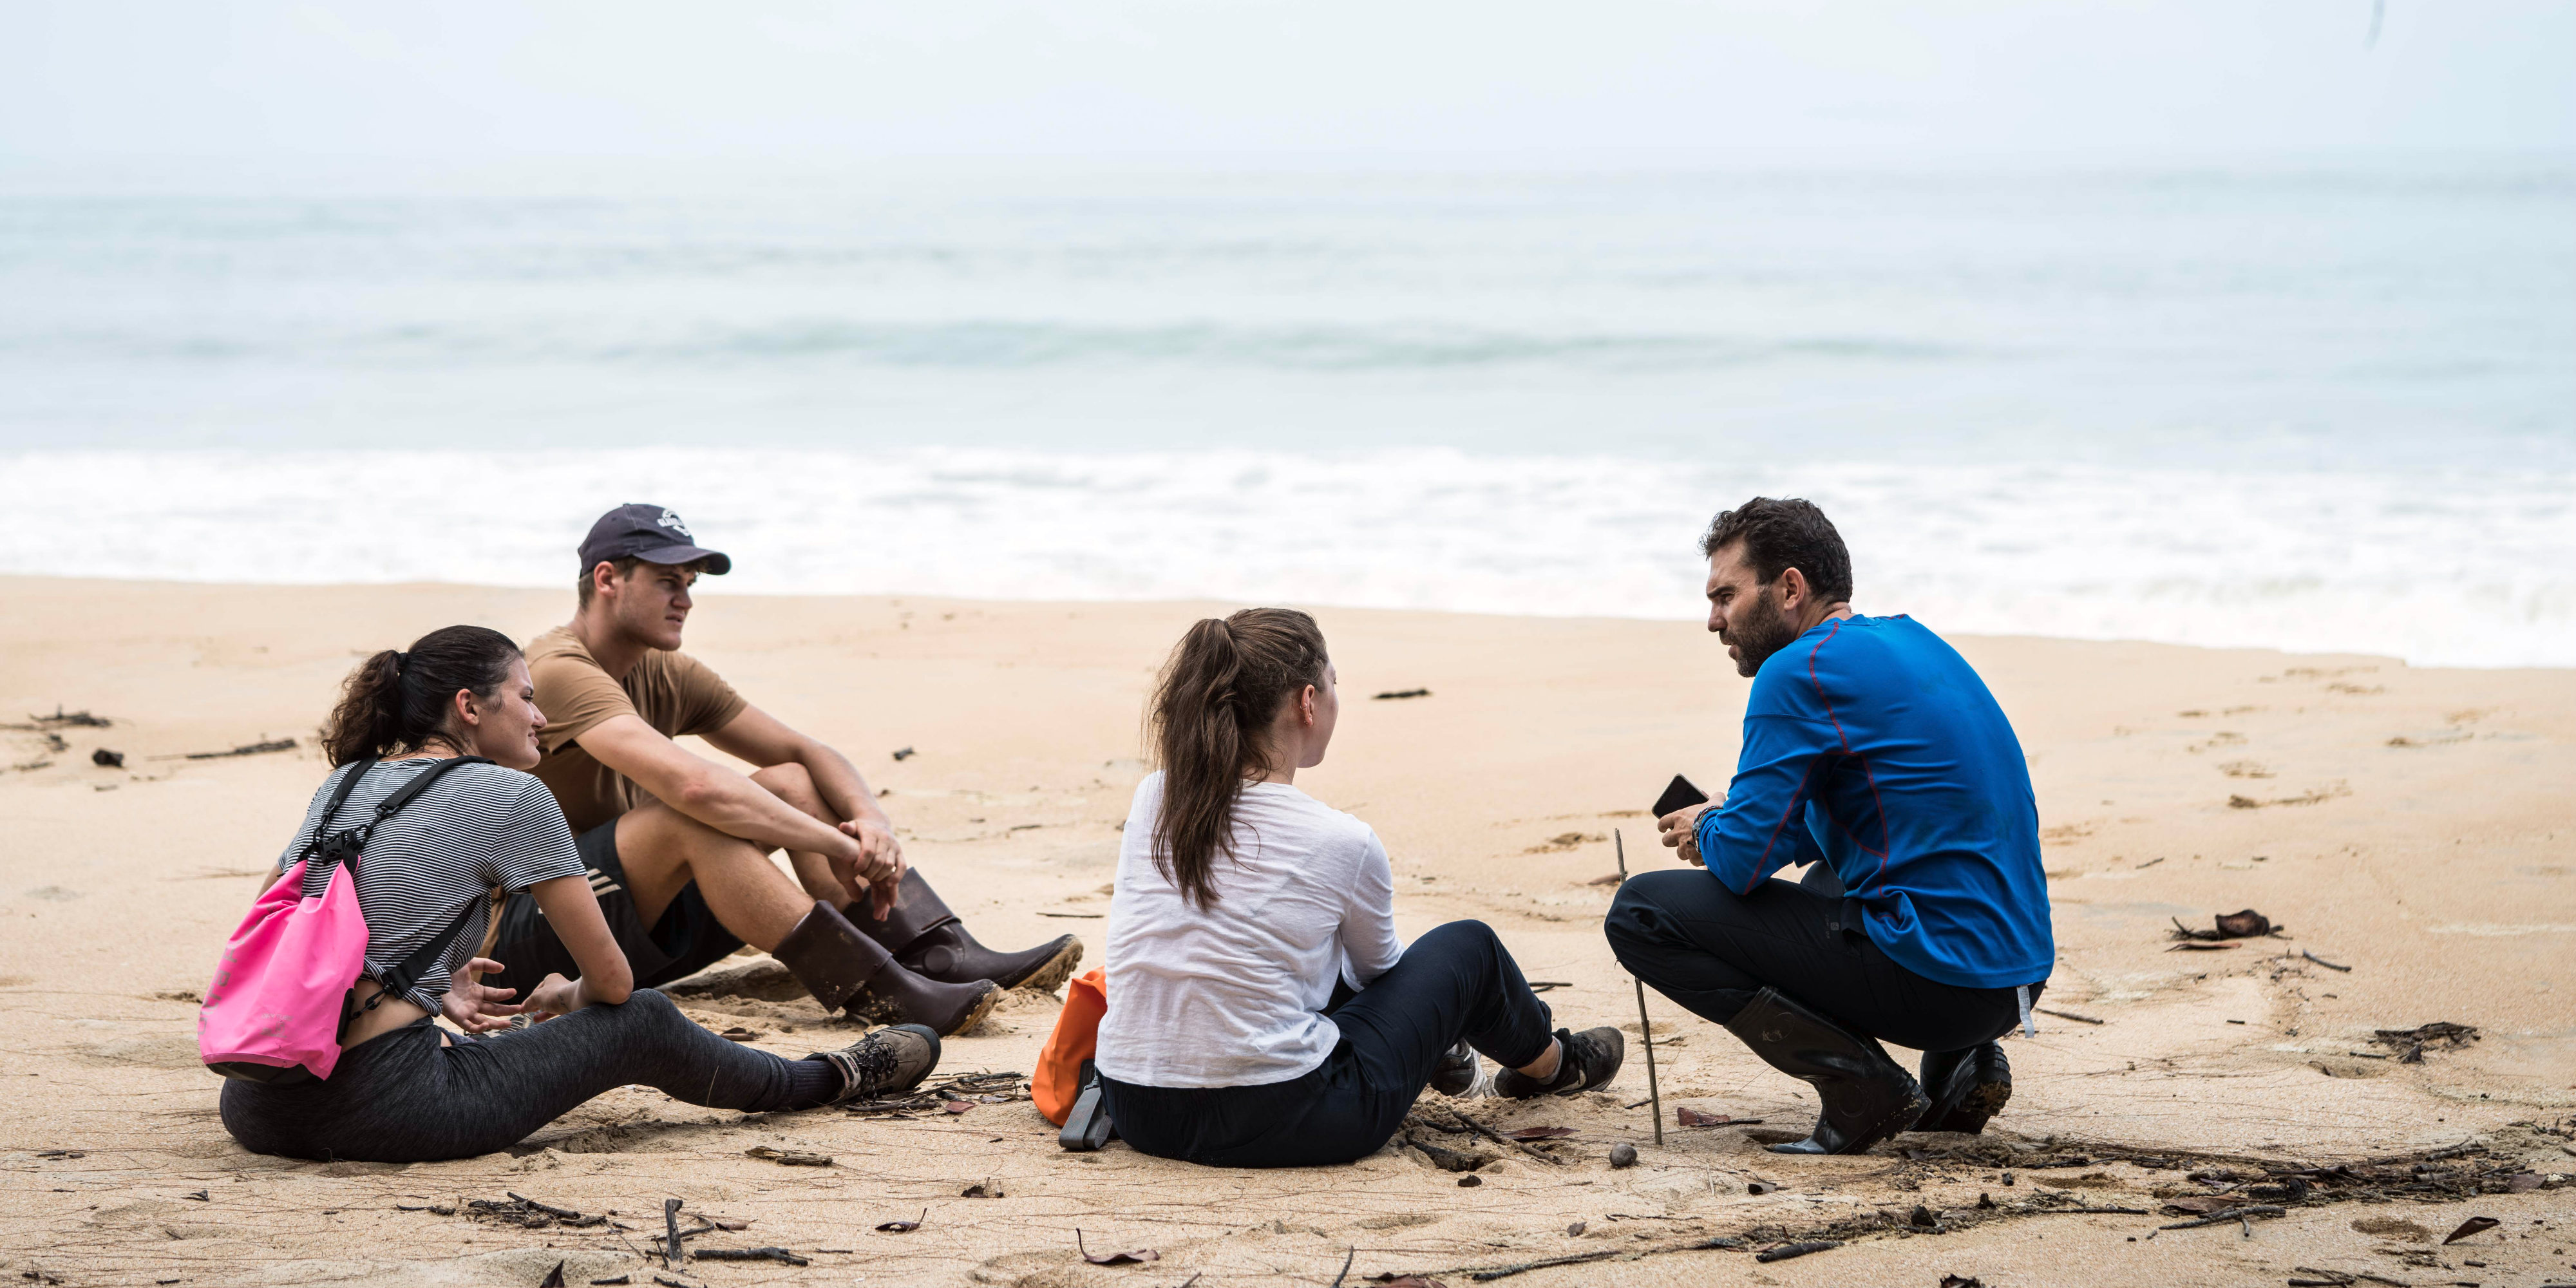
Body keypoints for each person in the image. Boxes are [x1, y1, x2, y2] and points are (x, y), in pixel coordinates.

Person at [218, 626, 940, 1164]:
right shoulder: (513, 794)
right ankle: (828, 1077)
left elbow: (287, 929)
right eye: (526, 698)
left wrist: (432, 987)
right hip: (395, 1109)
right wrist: (568, 996)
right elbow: (615, 983)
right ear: (469, 706)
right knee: (645, 1021)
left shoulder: (341, 783)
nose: (541, 717)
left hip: (258, 1103)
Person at [484, 505, 1079, 1037]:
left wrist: (873, 825)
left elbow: (806, 751)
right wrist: (836, 845)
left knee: (791, 780)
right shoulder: (557, 670)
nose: (686, 600)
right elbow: (694, 786)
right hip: (529, 941)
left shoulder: (663, 671)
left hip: (626, 928)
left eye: (689, 584)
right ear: (608, 579)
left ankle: (933, 953)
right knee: (688, 818)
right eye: (668, 581)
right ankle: (883, 992)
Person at [1094, 608, 1626, 1168]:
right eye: (1333, 687)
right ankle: (1553, 1065)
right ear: (1307, 702)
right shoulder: (1342, 840)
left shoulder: (1157, 796)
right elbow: (1378, 976)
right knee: (1469, 948)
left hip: (1137, 1106)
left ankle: (1479, 1057)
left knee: (1295, 954)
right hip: (1282, 1119)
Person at [1604, 498, 2053, 1157]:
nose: (1712, 619)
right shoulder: (1913, 639)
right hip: (2014, 977)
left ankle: (1861, 1087)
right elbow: (1875, 814)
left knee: (1640, 911)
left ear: (1789, 587)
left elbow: (1740, 864)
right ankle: (1961, 1065)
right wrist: (1740, 812)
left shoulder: (1796, 671)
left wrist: (1708, 826)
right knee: (1830, 870)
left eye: (1726, 594)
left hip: (1943, 983)